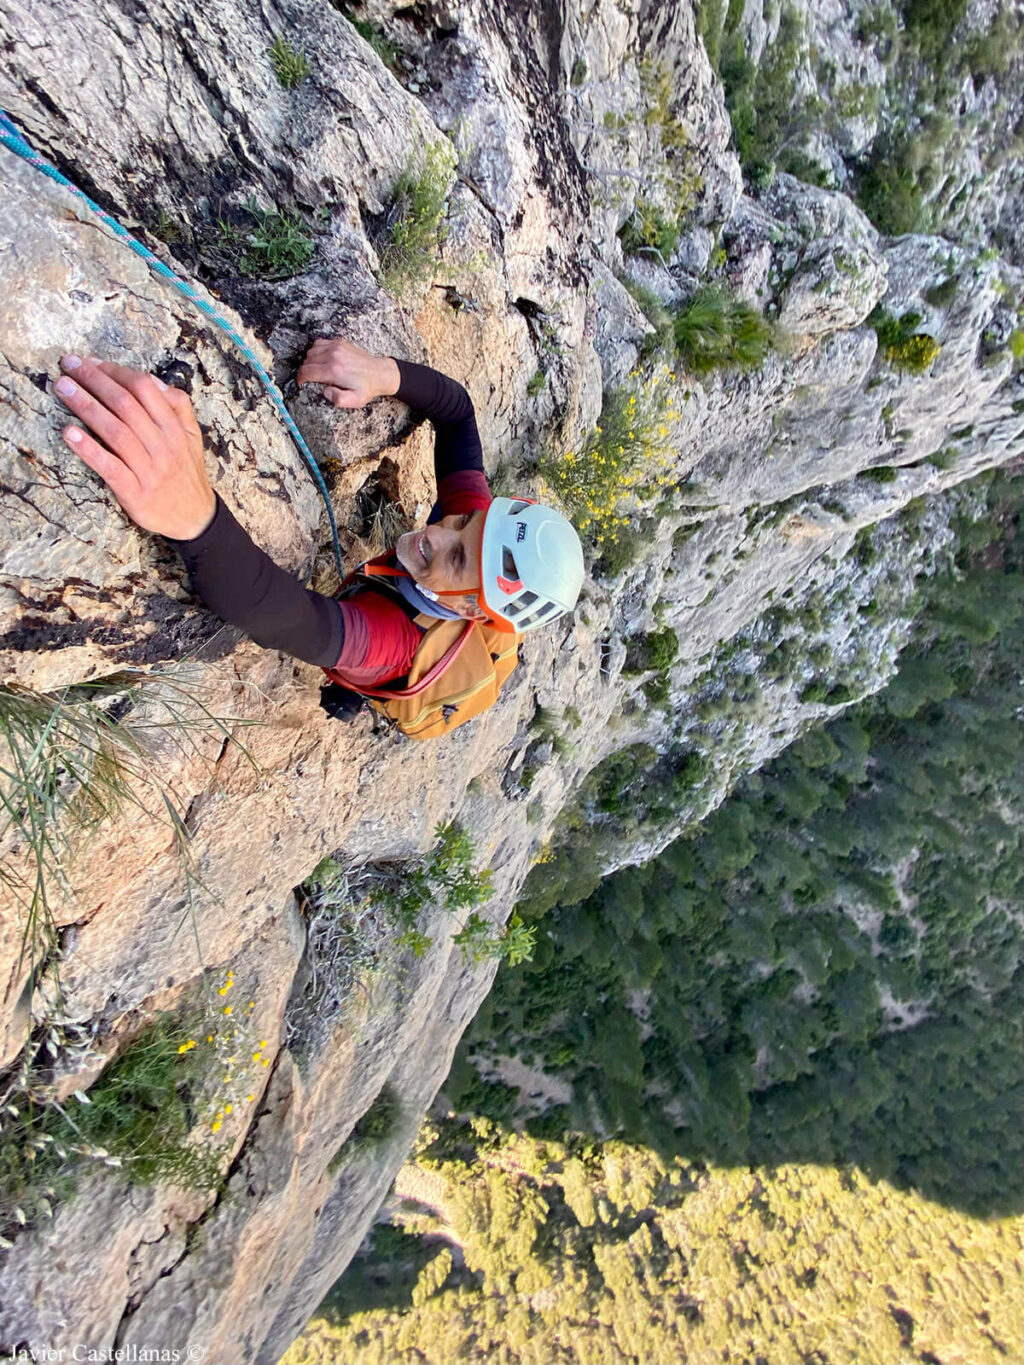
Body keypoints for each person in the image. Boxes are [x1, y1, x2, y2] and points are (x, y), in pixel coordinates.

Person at [52, 340, 584, 697]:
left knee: (350, 670)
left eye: (458, 554)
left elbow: (286, 619)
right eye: (466, 523)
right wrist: (383, 374)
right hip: (402, 600)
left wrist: (194, 515)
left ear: (470, 607)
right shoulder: (475, 528)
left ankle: (355, 699)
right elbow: (458, 412)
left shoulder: (393, 643)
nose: (439, 530)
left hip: (383, 648)